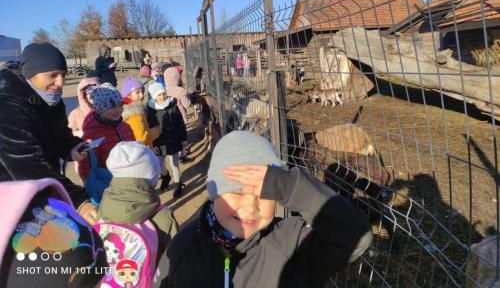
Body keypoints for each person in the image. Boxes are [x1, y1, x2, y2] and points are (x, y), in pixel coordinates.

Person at [164, 131, 373, 287]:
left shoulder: (292, 245)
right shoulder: (185, 248)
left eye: (264, 195)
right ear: (213, 192)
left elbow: (356, 237)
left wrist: (287, 186)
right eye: (236, 193)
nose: (250, 206)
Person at [0, 43, 97, 225]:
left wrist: (72, 146)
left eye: (63, 75)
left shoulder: (50, 98)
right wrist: (77, 200)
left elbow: (60, 133)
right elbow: (28, 166)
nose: (60, 83)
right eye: (52, 75)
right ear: (31, 73)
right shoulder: (7, 107)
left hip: (43, 187)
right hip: (12, 193)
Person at [98, 141, 178, 259]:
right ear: (152, 177)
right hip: (154, 276)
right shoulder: (163, 217)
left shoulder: (102, 209)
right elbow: (174, 258)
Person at [79, 87, 135, 181]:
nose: (118, 110)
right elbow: (86, 162)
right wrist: (89, 181)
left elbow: (135, 149)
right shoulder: (92, 133)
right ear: (100, 109)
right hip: (107, 180)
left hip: (130, 174)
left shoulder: (125, 127)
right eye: (112, 106)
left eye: (120, 105)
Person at [146, 83, 187, 197]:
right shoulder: (150, 109)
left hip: (174, 139)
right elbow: (148, 127)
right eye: (159, 95)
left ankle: (177, 184)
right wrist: (152, 144)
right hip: (159, 141)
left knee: (175, 164)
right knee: (159, 164)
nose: (163, 97)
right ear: (154, 96)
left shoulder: (172, 104)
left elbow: (180, 123)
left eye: (164, 94)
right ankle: (165, 176)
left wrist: (183, 138)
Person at [120, 77, 161, 148]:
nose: (142, 95)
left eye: (142, 91)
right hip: (142, 150)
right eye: (137, 92)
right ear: (128, 95)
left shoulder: (124, 110)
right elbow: (141, 138)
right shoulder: (135, 113)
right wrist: (155, 131)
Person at [164, 67, 191, 161]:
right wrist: (188, 97)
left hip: (168, 118)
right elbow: (187, 105)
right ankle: (182, 154)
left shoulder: (163, 90)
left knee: (174, 135)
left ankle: (176, 155)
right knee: (182, 135)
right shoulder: (180, 90)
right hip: (181, 117)